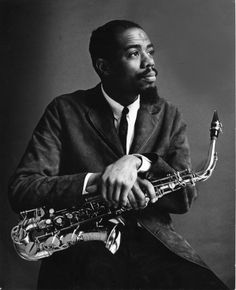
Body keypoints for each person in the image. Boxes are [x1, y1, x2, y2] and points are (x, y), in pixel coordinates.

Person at [9, 20, 228, 290]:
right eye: (134, 54)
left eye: (150, 51)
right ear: (104, 67)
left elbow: (183, 199)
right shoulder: (64, 110)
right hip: (83, 256)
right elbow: (22, 189)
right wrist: (97, 181)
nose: (149, 62)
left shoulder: (170, 115)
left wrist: (139, 161)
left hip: (154, 249)